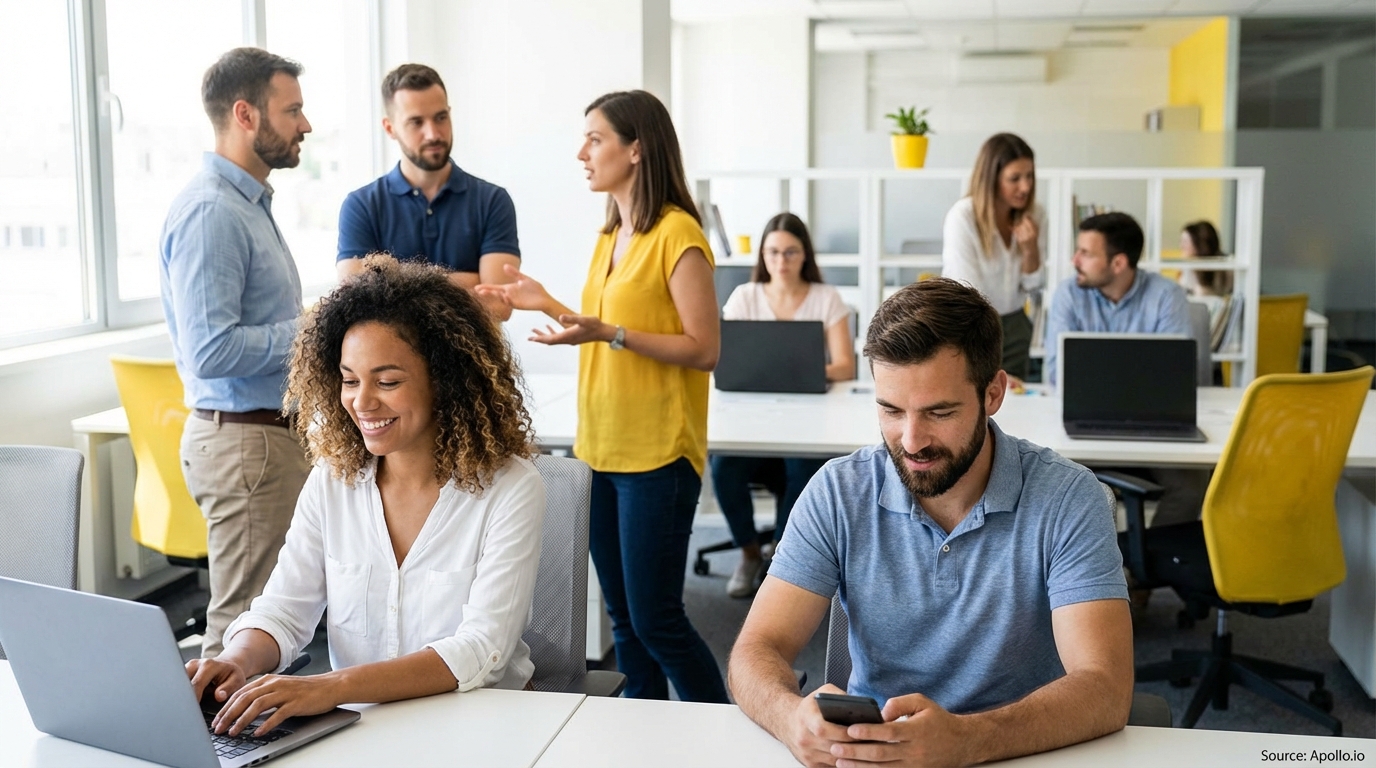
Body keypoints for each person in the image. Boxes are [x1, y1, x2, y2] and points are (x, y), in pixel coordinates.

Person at [728, 278, 1133, 768]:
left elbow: (1105, 688)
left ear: (993, 394)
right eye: (891, 410)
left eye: (939, 412)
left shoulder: (1069, 498)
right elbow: (757, 649)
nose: (912, 440)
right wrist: (790, 717)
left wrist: (968, 740)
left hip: (1020, 753)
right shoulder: (838, 492)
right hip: (870, 756)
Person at [186, 257, 545, 738]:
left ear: (445, 380)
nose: (362, 401)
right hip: (361, 731)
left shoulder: (510, 488)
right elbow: (284, 610)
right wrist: (237, 659)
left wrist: (331, 687)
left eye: (388, 381)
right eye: (350, 380)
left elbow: (481, 648)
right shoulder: (334, 481)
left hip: (480, 731)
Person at [475, 90, 727, 703]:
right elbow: (606, 329)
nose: (582, 152)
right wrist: (550, 306)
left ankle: (730, 732)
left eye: (596, 138)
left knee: (656, 621)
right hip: (602, 451)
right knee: (622, 626)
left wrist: (607, 331)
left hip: (657, 457)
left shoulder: (678, 235)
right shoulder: (611, 234)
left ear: (635, 148)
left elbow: (703, 347)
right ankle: (641, 739)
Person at [160, 47, 314, 658]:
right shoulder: (212, 212)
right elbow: (212, 349)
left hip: (266, 439)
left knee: (272, 620)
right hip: (245, 445)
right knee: (239, 634)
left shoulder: (247, 205)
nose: (306, 124)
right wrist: (310, 331)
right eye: (293, 109)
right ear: (246, 115)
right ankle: (216, 750)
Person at [712, 212, 854, 598]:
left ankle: (780, 556)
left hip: (808, 420)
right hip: (750, 420)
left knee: (804, 464)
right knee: (723, 466)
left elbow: (845, 365)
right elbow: (728, 361)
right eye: (773, 252)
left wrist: (803, 369)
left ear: (804, 254)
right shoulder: (745, 297)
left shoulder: (826, 298)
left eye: (791, 252)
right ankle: (749, 553)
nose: (781, 261)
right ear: (763, 254)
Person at [337, 64, 519, 320]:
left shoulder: (492, 201)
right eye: (416, 122)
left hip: (474, 360)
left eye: (441, 117)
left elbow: (499, 305)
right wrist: (469, 280)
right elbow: (356, 302)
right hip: (391, 360)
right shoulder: (361, 205)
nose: (433, 133)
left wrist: (391, 277)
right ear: (390, 128)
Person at [1042, 211, 1192, 387]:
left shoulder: (1167, 296)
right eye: (1077, 251)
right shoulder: (1068, 293)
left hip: (1149, 408)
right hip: (1084, 405)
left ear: (1118, 264)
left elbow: (1175, 371)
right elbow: (1057, 372)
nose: (1075, 261)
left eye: (1086, 254)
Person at [942, 133, 1045, 382]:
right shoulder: (963, 216)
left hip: (1015, 326)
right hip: (972, 328)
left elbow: (1033, 286)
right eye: (1015, 178)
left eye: (1029, 176)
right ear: (991, 178)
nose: (1026, 187)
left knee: (1016, 405)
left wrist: (1030, 249)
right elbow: (967, 291)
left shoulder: (1035, 214)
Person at [1179, 220, 1232, 299]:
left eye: (1185, 242)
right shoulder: (1187, 269)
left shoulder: (1227, 267)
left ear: (1199, 245)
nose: (1181, 246)